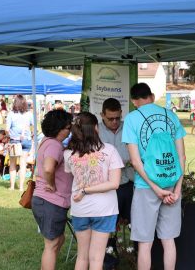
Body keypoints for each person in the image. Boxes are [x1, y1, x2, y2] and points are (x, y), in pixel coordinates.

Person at [122, 82, 186, 270]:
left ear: (134, 101)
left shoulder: (132, 119)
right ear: (151, 96)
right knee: (169, 241)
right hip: (172, 184)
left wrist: (155, 188)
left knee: (144, 244)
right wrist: (178, 188)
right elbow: (181, 156)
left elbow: (135, 161)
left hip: (146, 186)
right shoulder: (171, 115)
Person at [64, 112, 124, 270]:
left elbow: (73, 176)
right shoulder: (110, 150)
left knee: (82, 257)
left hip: (80, 209)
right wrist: (86, 190)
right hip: (104, 209)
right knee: (97, 258)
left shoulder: (68, 153)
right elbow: (115, 183)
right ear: (96, 128)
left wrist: (84, 190)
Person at [31, 110, 73, 270]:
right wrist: (51, 184)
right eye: (68, 128)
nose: (69, 131)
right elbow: (49, 168)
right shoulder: (54, 145)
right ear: (59, 128)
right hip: (50, 201)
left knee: (59, 239)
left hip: (47, 202)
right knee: (52, 244)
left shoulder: (46, 141)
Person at [99, 98, 135, 223]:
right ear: (102, 115)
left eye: (117, 118)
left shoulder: (130, 128)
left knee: (134, 220)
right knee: (106, 223)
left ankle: (133, 242)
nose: (114, 122)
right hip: (105, 185)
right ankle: (109, 242)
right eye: (110, 119)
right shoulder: (96, 131)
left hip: (129, 183)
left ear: (121, 113)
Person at [6, 94, 34, 191]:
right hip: (26, 140)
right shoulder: (29, 114)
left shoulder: (11, 114)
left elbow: (6, 130)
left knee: (13, 164)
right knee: (23, 164)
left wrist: (9, 135)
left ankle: (12, 186)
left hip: (14, 141)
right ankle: (21, 188)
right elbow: (34, 128)